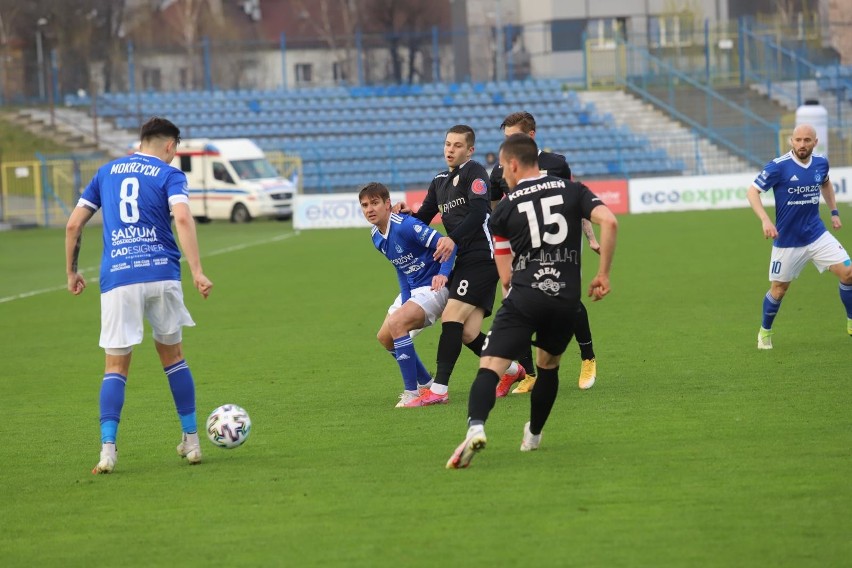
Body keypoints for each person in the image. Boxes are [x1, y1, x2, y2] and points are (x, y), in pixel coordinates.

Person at [447, 133, 618, 469]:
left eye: (501, 167)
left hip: (525, 297)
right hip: (565, 299)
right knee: (549, 367)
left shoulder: (504, 210)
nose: (501, 175)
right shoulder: (573, 190)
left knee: (490, 367)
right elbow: (610, 221)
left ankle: (476, 428)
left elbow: (507, 276)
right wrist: (603, 274)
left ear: (513, 164)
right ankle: (534, 435)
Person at [65, 117, 213, 474]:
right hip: (162, 272)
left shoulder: (105, 173)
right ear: (170, 146)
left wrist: (71, 271)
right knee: (174, 357)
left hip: (119, 276)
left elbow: (73, 224)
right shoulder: (168, 175)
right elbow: (182, 218)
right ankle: (191, 441)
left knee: (116, 366)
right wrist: (196, 270)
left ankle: (108, 451)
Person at [395, 124, 525, 407]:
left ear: (470, 150)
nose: (450, 150)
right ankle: (514, 370)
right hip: (463, 261)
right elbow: (425, 216)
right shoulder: (439, 181)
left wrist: (452, 238)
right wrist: (409, 214)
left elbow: (480, 210)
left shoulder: (475, 172)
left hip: (481, 257)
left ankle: (439, 389)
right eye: (447, 144)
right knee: (467, 333)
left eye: (457, 145)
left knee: (452, 318)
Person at [489, 111, 601, 394]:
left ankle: (587, 357)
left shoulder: (556, 164)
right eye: (505, 138)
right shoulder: (499, 170)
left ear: (531, 135)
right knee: (515, 304)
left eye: (514, 137)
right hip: (521, 247)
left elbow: (576, 203)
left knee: (566, 298)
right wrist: (502, 244)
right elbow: (494, 210)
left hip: (558, 246)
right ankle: (529, 374)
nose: (508, 143)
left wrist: (590, 236)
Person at [746, 123, 852, 349]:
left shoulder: (821, 162)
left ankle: (851, 321)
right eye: (798, 140)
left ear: (815, 142)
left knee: (849, 273)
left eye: (807, 140)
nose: (802, 144)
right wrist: (765, 219)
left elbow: (825, 183)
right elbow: (752, 191)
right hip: (788, 241)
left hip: (817, 234)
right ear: (791, 141)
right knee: (779, 290)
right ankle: (765, 331)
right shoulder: (778, 167)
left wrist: (834, 212)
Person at [358, 182, 456, 407]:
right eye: (365, 205)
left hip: (434, 288)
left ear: (387, 203)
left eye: (375, 203)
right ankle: (426, 384)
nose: (370, 209)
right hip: (414, 290)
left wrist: (443, 275)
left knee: (397, 324)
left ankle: (411, 393)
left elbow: (447, 245)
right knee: (385, 337)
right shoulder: (376, 236)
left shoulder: (405, 225)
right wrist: (405, 298)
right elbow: (400, 268)